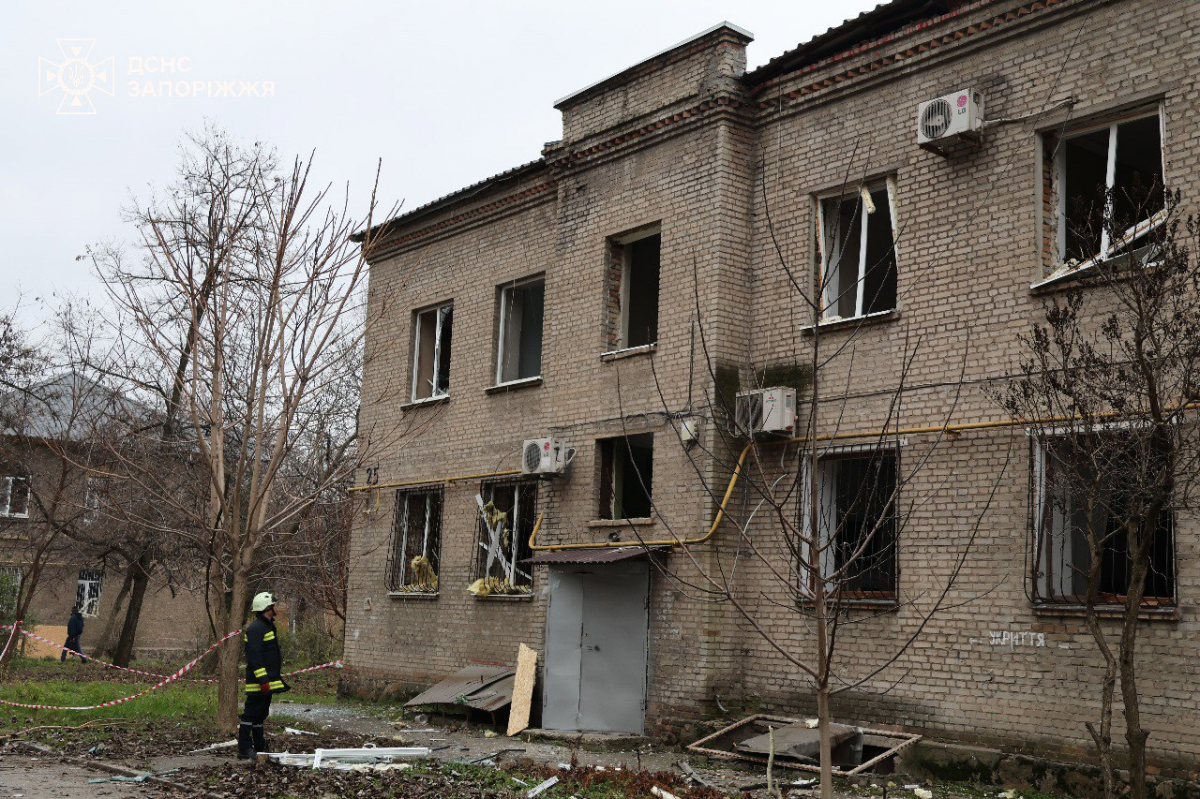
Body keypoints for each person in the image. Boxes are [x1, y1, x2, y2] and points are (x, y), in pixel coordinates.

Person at [237, 591, 288, 759]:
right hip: (259, 682)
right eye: (273, 605)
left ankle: (259, 746)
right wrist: (263, 679)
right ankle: (244, 749)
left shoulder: (266, 626)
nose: (276, 608)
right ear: (267, 608)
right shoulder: (256, 628)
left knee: (260, 715)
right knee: (250, 715)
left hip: (267, 681)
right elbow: (255, 657)